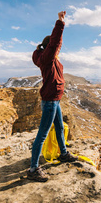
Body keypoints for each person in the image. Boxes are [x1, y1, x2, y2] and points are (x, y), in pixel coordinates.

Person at [28, 11, 78, 182]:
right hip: (50, 101)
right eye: (56, 48)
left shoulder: (50, 59)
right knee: (42, 134)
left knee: (60, 127)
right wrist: (60, 22)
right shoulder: (48, 58)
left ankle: (63, 153)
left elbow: (56, 45)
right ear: (50, 48)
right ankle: (33, 169)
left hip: (55, 100)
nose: (59, 50)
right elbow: (55, 42)